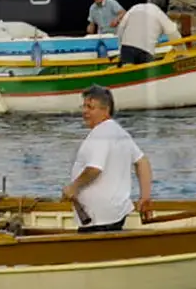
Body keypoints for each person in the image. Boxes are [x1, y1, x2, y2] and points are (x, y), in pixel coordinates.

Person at [60, 85, 153, 232]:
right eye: (83, 106)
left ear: (106, 110)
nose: (84, 112)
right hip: (115, 214)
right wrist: (145, 198)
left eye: (90, 107)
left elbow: (94, 169)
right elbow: (142, 162)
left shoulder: (100, 134)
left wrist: (73, 187)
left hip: (98, 218)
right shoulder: (120, 132)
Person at [114, 0, 180, 65]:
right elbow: (174, 34)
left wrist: (120, 49)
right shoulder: (160, 15)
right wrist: (182, 52)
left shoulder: (135, 7)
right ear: (162, 4)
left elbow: (121, 28)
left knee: (128, 72)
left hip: (127, 48)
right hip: (146, 51)